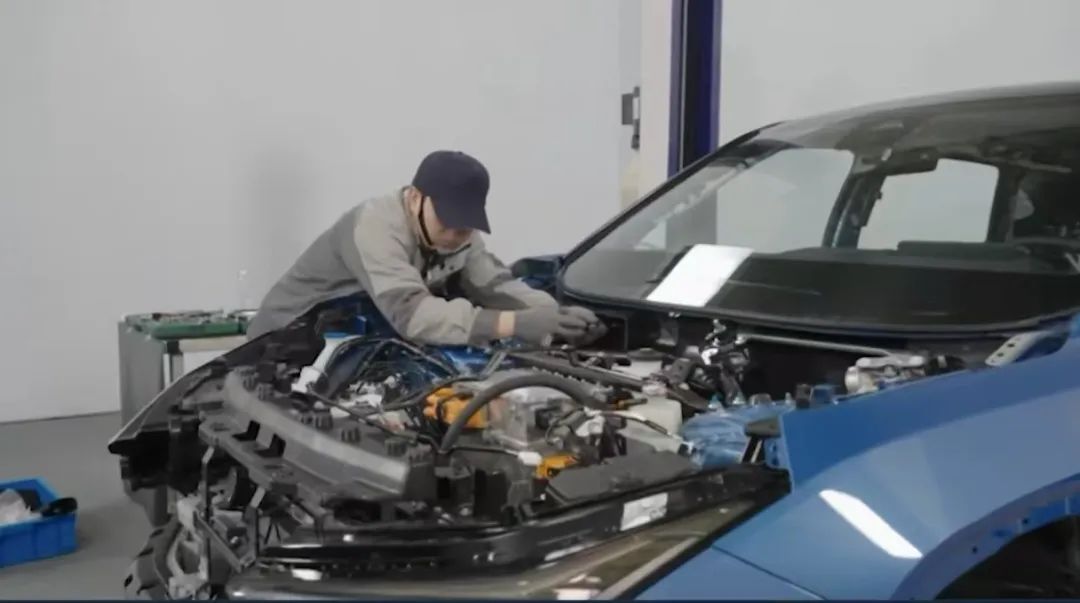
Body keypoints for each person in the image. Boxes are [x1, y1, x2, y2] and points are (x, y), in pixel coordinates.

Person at [246, 150, 605, 347]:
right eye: (447, 221)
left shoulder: (461, 235)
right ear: (416, 198)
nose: (455, 235)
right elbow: (414, 316)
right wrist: (515, 324)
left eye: (465, 225)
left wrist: (556, 317)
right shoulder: (374, 226)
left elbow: (497, 286)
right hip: (283, 345)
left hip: (354, 344)